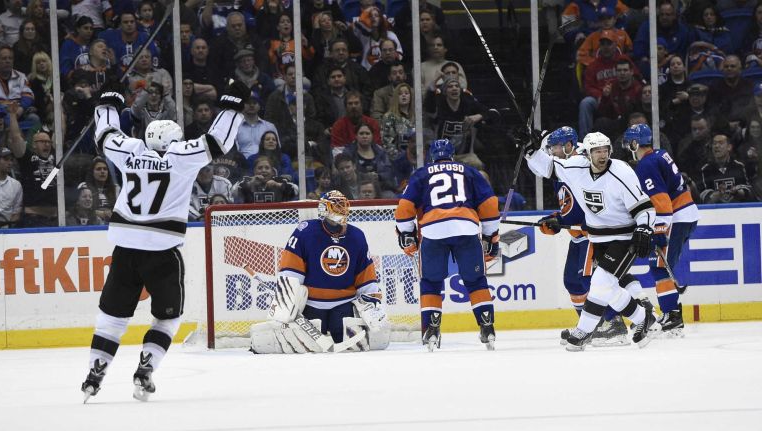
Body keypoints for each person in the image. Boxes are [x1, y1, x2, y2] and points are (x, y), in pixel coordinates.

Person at [80, 81, 249, 402]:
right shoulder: (182, 156)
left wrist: (108, 102)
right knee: (168, 317)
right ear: (174, 139)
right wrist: (233, 105)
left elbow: (103, 136)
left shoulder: (130, 151)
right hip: (162, 250)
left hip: (126, 249)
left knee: (112, 319)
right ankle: (145, 369)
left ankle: (94, 373)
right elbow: (217, 141)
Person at [523, 130, 659, 351]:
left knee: (600, 283)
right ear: (586, 154)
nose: (602, 155)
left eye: (605, 150)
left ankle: (584, 331)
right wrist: (531, 151)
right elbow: (546, 167)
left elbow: (644, 206)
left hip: (624, 237)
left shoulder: (621, 172)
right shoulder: (576, 167)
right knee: (610, 289)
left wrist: (644, 228)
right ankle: (644, 317)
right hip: (598, 238)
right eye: (596, 151)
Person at [248, 190, 389, 353]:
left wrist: (372, 303)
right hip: (311, 303)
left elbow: (366, 275)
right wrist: (286, 299)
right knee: (301, 343)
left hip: (343, 302)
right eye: (337, 206)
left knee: (350, 337)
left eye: (343, 205)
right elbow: (291, 271)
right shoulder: (306, 232)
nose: (342, 209)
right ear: (324, 209)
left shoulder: (357, 236)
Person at [394, 138, 500, 351]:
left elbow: (404, 208)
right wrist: (490, 237)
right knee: (476, 280)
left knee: (431, 282)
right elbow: (489, 205)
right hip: (466, 229)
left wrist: (407, 234)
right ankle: (487, 326)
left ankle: (432, 329)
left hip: (433, 231)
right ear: (452, 155)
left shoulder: (422, 174)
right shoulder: (469, 172)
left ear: (431, 156)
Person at [537, 127, 630, 347]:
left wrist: (562, 220)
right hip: (578, 236)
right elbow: (570, 206)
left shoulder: (579, 167)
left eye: (555, 148)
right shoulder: (562, 170)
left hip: (592, 235)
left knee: (591, 280)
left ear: (569, 146)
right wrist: (557, 218)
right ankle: (588, 326)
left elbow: (588, 206)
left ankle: (614, 324)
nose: (551, 152)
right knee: (572, 281)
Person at [623, 124, 700, 336]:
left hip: (675, 217)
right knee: (661, 267)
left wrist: (658, 230)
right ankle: (671, 314)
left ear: (635, 143)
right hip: (685, 214)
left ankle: (672, 316)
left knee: (660, 268)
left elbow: (662, 203)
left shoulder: (646, 165)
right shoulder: (659, 155)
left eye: (629, 142)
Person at [698, 132, 757, 203]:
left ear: (729, 147)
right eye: (714, 143)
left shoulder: (739, 166)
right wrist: (718, 194)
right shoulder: (705, 169)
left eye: (721, 143)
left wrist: (737, 192)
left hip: (739, 210)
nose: (716, 146)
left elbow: (749, 193)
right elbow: (703, 198)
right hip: (715, 211)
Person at [77, 156, 118, 224]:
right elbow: (79, 208)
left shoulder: (116, 188)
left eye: (105, 169)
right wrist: (98, 213)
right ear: (92, 172)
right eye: (98, 169)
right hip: (90, 223)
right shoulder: (84, 186)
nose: (102, 171)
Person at [0, 147, 22, 228]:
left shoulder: (16, 185)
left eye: (11, 160)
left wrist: (8, 228)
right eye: (6, 159)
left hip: (7, 228)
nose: (10, 163)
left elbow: (16, 213)